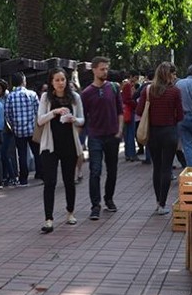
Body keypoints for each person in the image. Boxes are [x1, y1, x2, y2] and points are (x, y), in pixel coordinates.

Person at [36, 68, 84, 233]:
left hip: (69, 144)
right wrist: (54, 112)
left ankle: (70, 212)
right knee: (50, 182)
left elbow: (82, 120)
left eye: (63, 79)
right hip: (50, 145)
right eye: (56, 80)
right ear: (51, 82)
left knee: (69, 181)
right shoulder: (46, 97)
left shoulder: (75, 97)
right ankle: (48, 219)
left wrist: (74, 119)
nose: (60, 83)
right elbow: (40, 120)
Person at [136, 62, 183, 215]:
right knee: (166, 167)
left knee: (157, 167)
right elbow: (180, 115)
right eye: (173, 73)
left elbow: (139, 110)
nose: (174, 76)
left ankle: (157, 202)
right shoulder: (175, 91)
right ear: (168, 75)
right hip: (169, 132)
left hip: (153, 133)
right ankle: (163, 203)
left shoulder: (148, 90)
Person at [81, 56, 123, 219]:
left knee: (112, 170)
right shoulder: (86, 93)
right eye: (102, 69)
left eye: (106, 69)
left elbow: (120, 111)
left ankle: (109, 198)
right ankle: (95, 205)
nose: (105, 72)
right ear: (94, 70)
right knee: (95, 171)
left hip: (112, 135)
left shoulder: (113, 88)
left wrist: (119, 131)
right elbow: (83, 117)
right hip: (95, 136)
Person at [5, 72, 40, 185]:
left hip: (19, 131)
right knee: (36, 152)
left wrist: (13, 125)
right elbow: (38, 111)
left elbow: (7, 114)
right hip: (32, 129)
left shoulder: (10, 96)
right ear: (23, 81)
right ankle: (40, 173)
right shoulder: (32, 94)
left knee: (22, 154)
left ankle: (23, 178)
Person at [121, 70, 139, 161]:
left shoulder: (126, 85)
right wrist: (136, 105)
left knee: (127, 134)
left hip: (127, 111)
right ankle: (131, 154)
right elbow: (127, 99)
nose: (137, 79)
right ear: (131, 76)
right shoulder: (128, 85)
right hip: (129, 111)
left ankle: (128, 154)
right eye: (136, 77)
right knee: (130, 134)